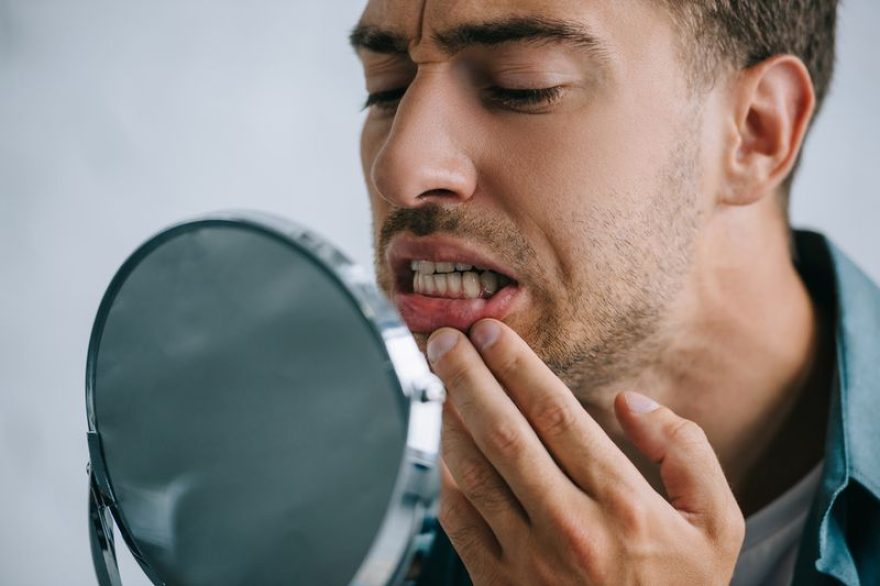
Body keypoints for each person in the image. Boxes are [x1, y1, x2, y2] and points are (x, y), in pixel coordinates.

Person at [350, 1, 878, 584]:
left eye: (522, 87)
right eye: (387, 91)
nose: (399, 167)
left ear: (755, 130)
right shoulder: (293, 494)